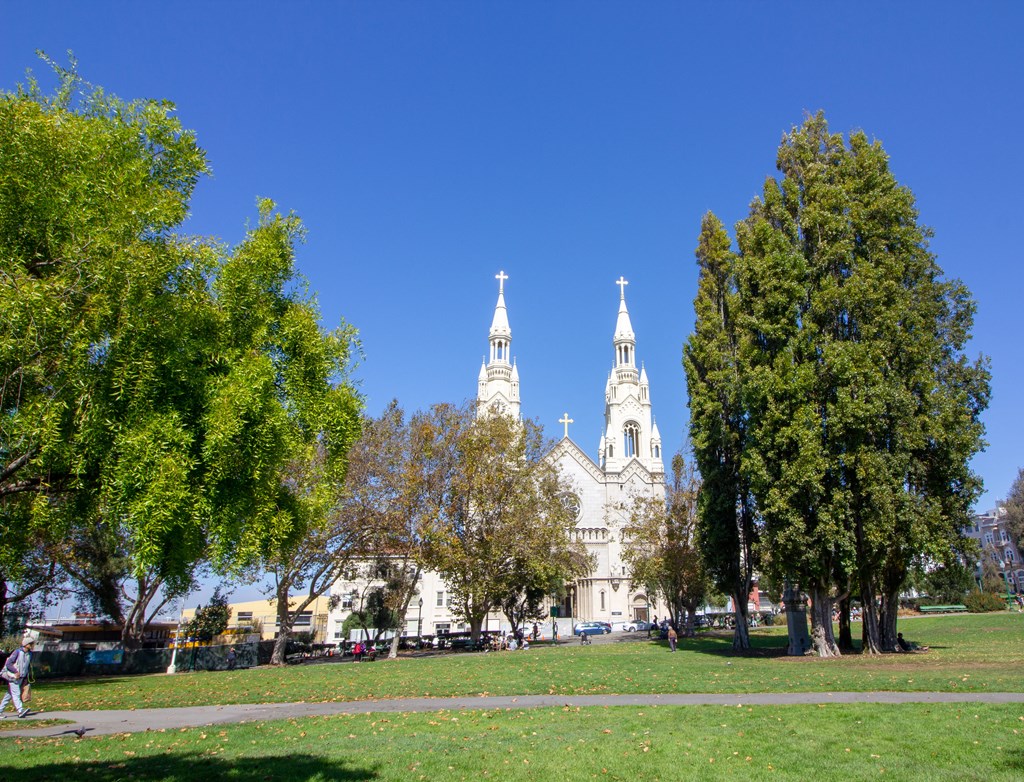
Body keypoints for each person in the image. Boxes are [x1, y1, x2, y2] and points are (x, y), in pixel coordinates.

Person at [1, 629, 38, 719]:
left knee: (9, 695)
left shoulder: (29, 654)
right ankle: (20, 711)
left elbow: (26, 667)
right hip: (13, 676)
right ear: (26, 644)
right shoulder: (17, 652)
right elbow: (8, 664)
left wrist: (25, 678)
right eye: (31, 644)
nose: (32, 646)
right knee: (16, 693)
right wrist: (15, 672)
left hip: (21, 677)